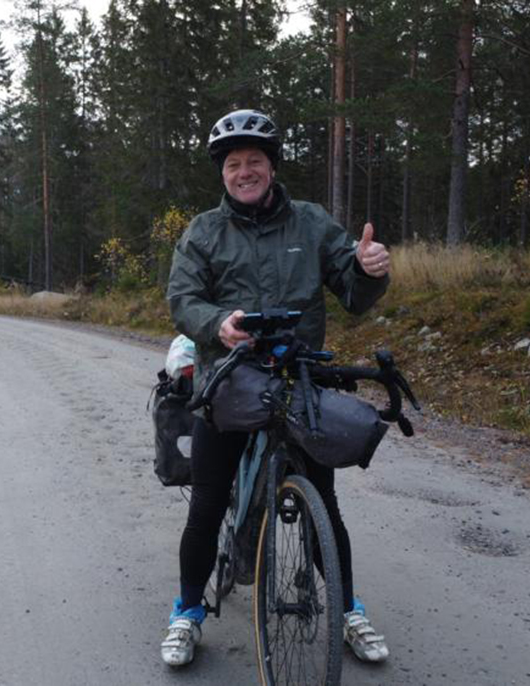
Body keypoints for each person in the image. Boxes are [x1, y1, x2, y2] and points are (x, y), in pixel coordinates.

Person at [160, 109, 392, 668]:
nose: (245, 171)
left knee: (325, 505)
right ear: (223, 173)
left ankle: (348, 608)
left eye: (255, 162)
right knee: (208, 506)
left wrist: (369, 269)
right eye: (235, 163)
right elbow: (182, 299)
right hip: (230, 378)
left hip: (299, 378)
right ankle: (188, 610)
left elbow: (354, 294)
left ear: (271, 167)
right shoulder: (203, 232)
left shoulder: (310, 222)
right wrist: (217, 323)